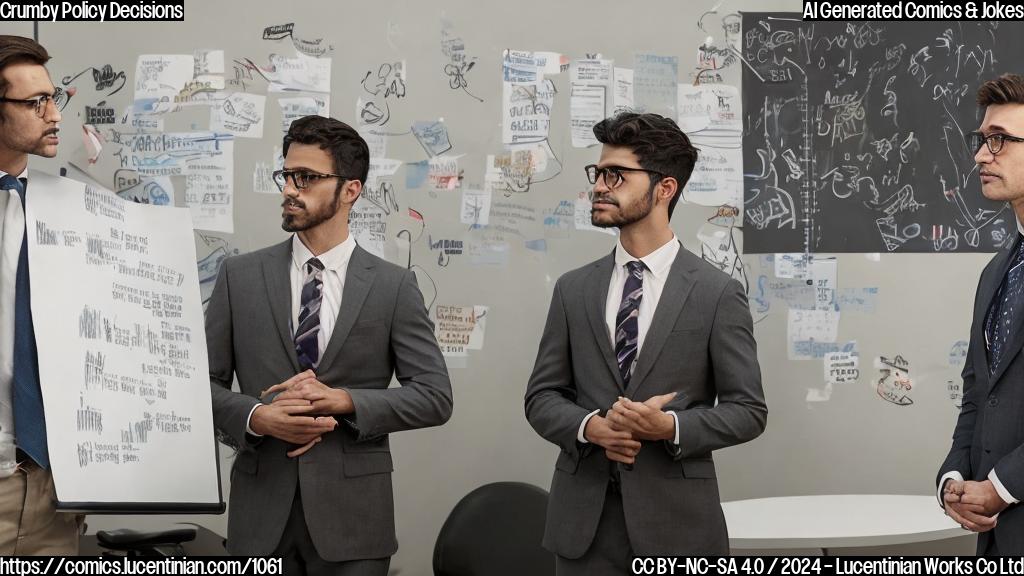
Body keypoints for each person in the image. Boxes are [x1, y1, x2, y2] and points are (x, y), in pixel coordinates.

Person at [207, 115, 453, 574]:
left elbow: (435, 398)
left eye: (307, 178)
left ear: (351, 190)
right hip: (260, 522)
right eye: (287, 175)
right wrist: (258, 417)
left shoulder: (393, 287)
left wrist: (342, 402)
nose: (290, 189)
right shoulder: (238, 277)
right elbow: (201, 385)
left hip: (355, 524)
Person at [524, 112, 767, 573]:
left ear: (664, 188)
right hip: (583, 532)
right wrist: (591, 428)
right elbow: (541, 398)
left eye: (616, 175)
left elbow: (749, 411)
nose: (599, 186)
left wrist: (670, 428)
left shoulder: (717, 292)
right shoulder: (573, 289)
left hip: (680, 531)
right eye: (598, 173)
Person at [0, 34, 81, 555]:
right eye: (36, 103)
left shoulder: (76, 213)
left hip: (54, 489)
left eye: (55, 98)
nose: (54, 115)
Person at [938, 73, 1024, 555]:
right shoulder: (997, 271)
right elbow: (978, 394)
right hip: (997, 541)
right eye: (982, 139)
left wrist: (1002, 485)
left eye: (1000, 141)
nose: (980, 155)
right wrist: (954, 477)